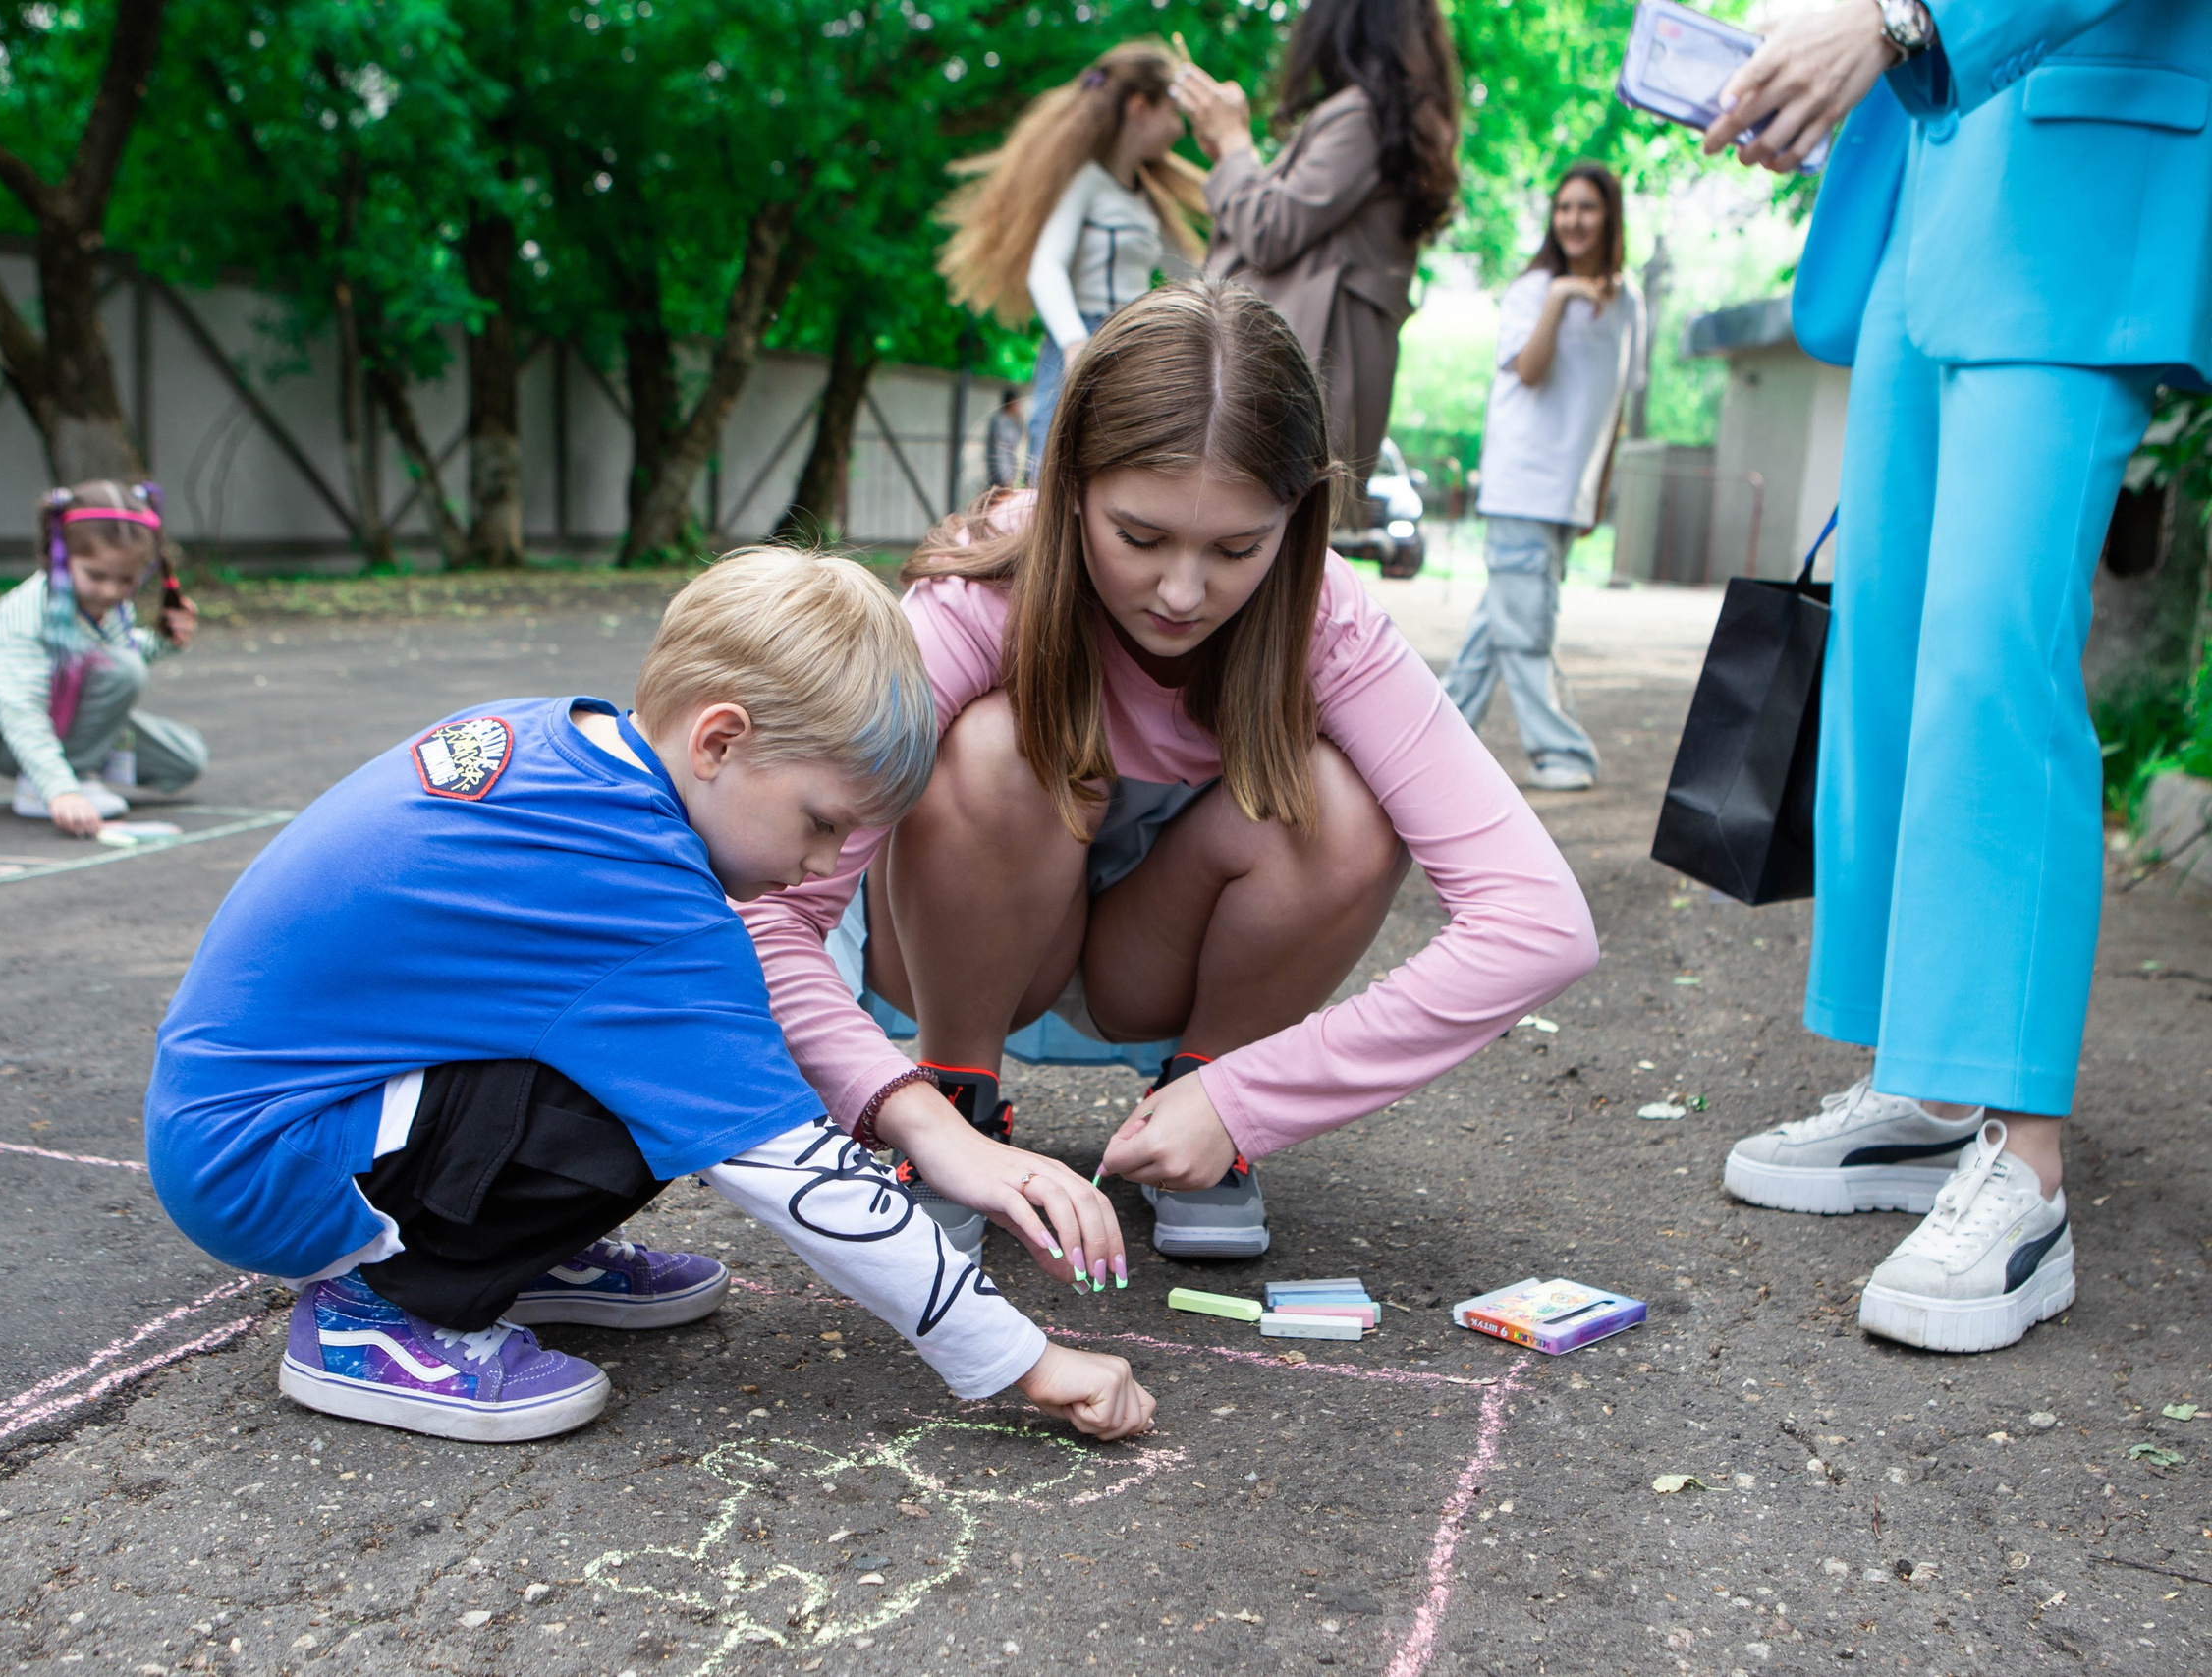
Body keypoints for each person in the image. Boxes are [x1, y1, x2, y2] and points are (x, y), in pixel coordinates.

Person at [145, 549, 1152, 1444]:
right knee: (692, 1092)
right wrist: (1024, 1359)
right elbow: (790, 1164)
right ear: (719, 741)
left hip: (255, 1121)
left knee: (667, 1064)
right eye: (820, 822)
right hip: (270, 1165)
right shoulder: (637, 891)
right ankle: (382, 1310)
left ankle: (504, 1257)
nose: (821, 866)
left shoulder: (570, 746)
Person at [739, 283, 1598, 1265]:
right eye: (1140, 539)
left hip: (1153, 963)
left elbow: (1540, 923)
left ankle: (1194, 1102)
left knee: (1347, 808)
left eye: (1237, 547)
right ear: (1071, 484)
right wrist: (903, 1109)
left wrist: (1246, 1096)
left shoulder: (1327, 620)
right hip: (960, 946)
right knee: (993, 747)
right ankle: (958, 1095)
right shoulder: (982, 596)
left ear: (1298, 514)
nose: (1183, 594)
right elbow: (767, 912)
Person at [1707, 0, 2212, 1353]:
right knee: (1891, 648)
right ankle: (1929, 1085)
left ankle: (2025, 1162)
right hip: (1925, 180)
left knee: (1995, 653)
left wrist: (1898, 15)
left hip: (2081, 165)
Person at [1171, 0, 1461, 527]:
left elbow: (1271, 229)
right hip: (1326, 362)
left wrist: (1235, 143)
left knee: (1265, 533)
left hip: (1307, 365)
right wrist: (1228, 156)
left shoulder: (1361, 117)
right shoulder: (1386, 117)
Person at [1441, 161, 1644, 794]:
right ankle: (1561, 752)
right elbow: (1529, 372)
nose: (1574, 220)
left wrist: (1597, 493)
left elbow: (1615, 406)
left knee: (1499, 626)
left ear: (1609, 216)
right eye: (1564, 208)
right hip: (1522, 484)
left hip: (1567, 493)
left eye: (1587, 208)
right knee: (1526, 628)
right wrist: (1559, 298)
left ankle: (1426, 741)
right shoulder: (1532, 290)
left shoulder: (1629, 302)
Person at [937, 40, 1206, 477]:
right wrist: (1075, 342)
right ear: (1140, 107)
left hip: (1133, 345)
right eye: (1173, 112)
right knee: (1057, 473)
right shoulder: (1087, 183)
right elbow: (1046, 268)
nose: (1180, 128)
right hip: (1084, 343)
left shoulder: (1147, 199)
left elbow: (1194, 275)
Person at [0, 481, 205, 839]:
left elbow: (113, 652)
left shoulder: (109, 606)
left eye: (126, 579)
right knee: (124, 671)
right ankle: (49, 783)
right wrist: (60, 790)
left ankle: (75, 769)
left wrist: (166, 641)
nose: (110, 591)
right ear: (59, 555)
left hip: (62, 713)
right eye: (96, 575)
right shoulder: (29, 618)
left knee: (183, 760)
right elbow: (20, 711)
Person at [984, 386, 1026, 489]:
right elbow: (1001, 451)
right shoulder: (1000, 422)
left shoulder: (1012, 421)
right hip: (1001, 476)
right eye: (1017, 403)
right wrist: (1005, 477)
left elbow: (1021, 437)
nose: (1019, 407)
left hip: (1008, 474)